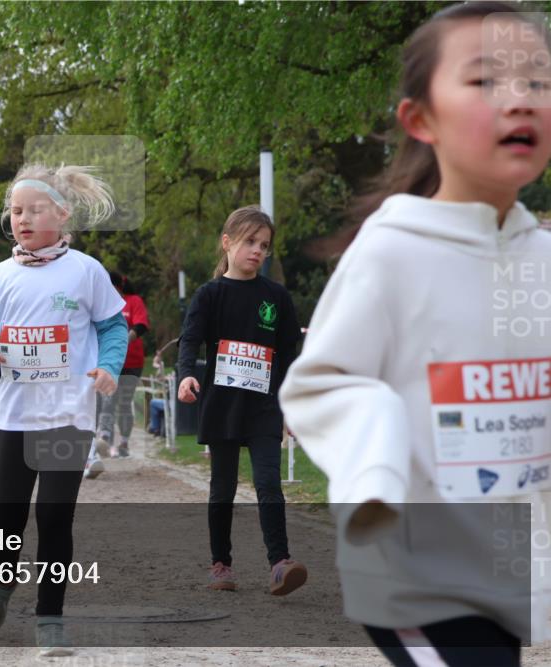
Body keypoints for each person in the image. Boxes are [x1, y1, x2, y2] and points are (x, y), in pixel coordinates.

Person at [280, 4, 551, 664]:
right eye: (486, 80)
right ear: (420, 119)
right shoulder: (390, 253)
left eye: (538, 81)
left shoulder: (541, 256)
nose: (519, 100)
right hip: (416, 572)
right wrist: (376, 472)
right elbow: (321, 383)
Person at [0, 164, 128, 657]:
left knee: (55, 517)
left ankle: (50, 618)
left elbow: (114, 329)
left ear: (62, 213)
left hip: (68, 417)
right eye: (16, 211)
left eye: (35, 210)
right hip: (15, 417)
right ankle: (0, 583)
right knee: (6, 519)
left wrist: (108, 367)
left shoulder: (85, 270)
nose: (23, 219)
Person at [178, 205, 305, 596]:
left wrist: (291, 404)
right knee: (223, 488)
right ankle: (222, 565)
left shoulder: (276, 297)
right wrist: (185, 374)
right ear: (227, 242)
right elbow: (190, 339)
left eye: (264, 245)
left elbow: (289, 354)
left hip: (264, 407)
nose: (257, 251)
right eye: (250, 241)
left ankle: (280, 564)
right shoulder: (209, 294)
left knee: (269, 483)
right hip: (222, 406)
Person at [94, 272, 150, 458]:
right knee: (106, 399)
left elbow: (141, 326)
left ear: (119, 287)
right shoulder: (100, 303)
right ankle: (105, 438)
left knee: (124, 403)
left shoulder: (133, 301)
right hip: (106, 363)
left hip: (131, 362)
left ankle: (124, 443)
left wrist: (121, 343)